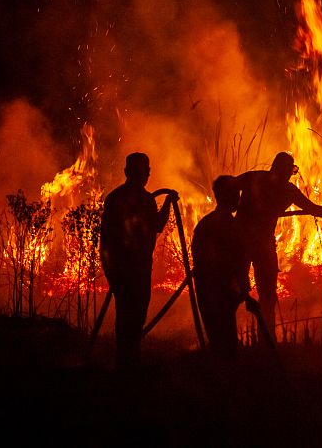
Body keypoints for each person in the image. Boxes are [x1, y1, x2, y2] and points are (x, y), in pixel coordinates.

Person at [233, 151, 322, 341]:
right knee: (239, 292)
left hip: (258, 244)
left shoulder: (264, 181)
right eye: (286, 171)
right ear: (279, 170)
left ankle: (264, 341)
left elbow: (315, 209)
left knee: (264, 295)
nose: (285, 175)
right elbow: (228, 187)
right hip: (247, 244)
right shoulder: (266, 183)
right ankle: (240, 341)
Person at [99, 152, 178, 371]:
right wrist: (169, 203)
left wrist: (110, 271)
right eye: (145, 171)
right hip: (133, 269)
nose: (146, 175)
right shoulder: (141, 200)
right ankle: (128, 364)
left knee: (128, 315)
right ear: (145, 173)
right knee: (132, 316)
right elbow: (158, 226)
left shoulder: (119, 198)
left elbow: (105, 239)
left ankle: (127, 360)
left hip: (127, 268)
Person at [191, 175, 255, 360]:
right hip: (221, 291)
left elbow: (199, 257)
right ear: (227, 196)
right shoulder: (231, 226)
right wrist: (243, 292)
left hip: (207, 290)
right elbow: (237, 262)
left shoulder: (205, 223)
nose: (239, 198)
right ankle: (226, 380)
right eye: (236, 194)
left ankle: (217, 378)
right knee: (226, 343)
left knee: (217, 339)